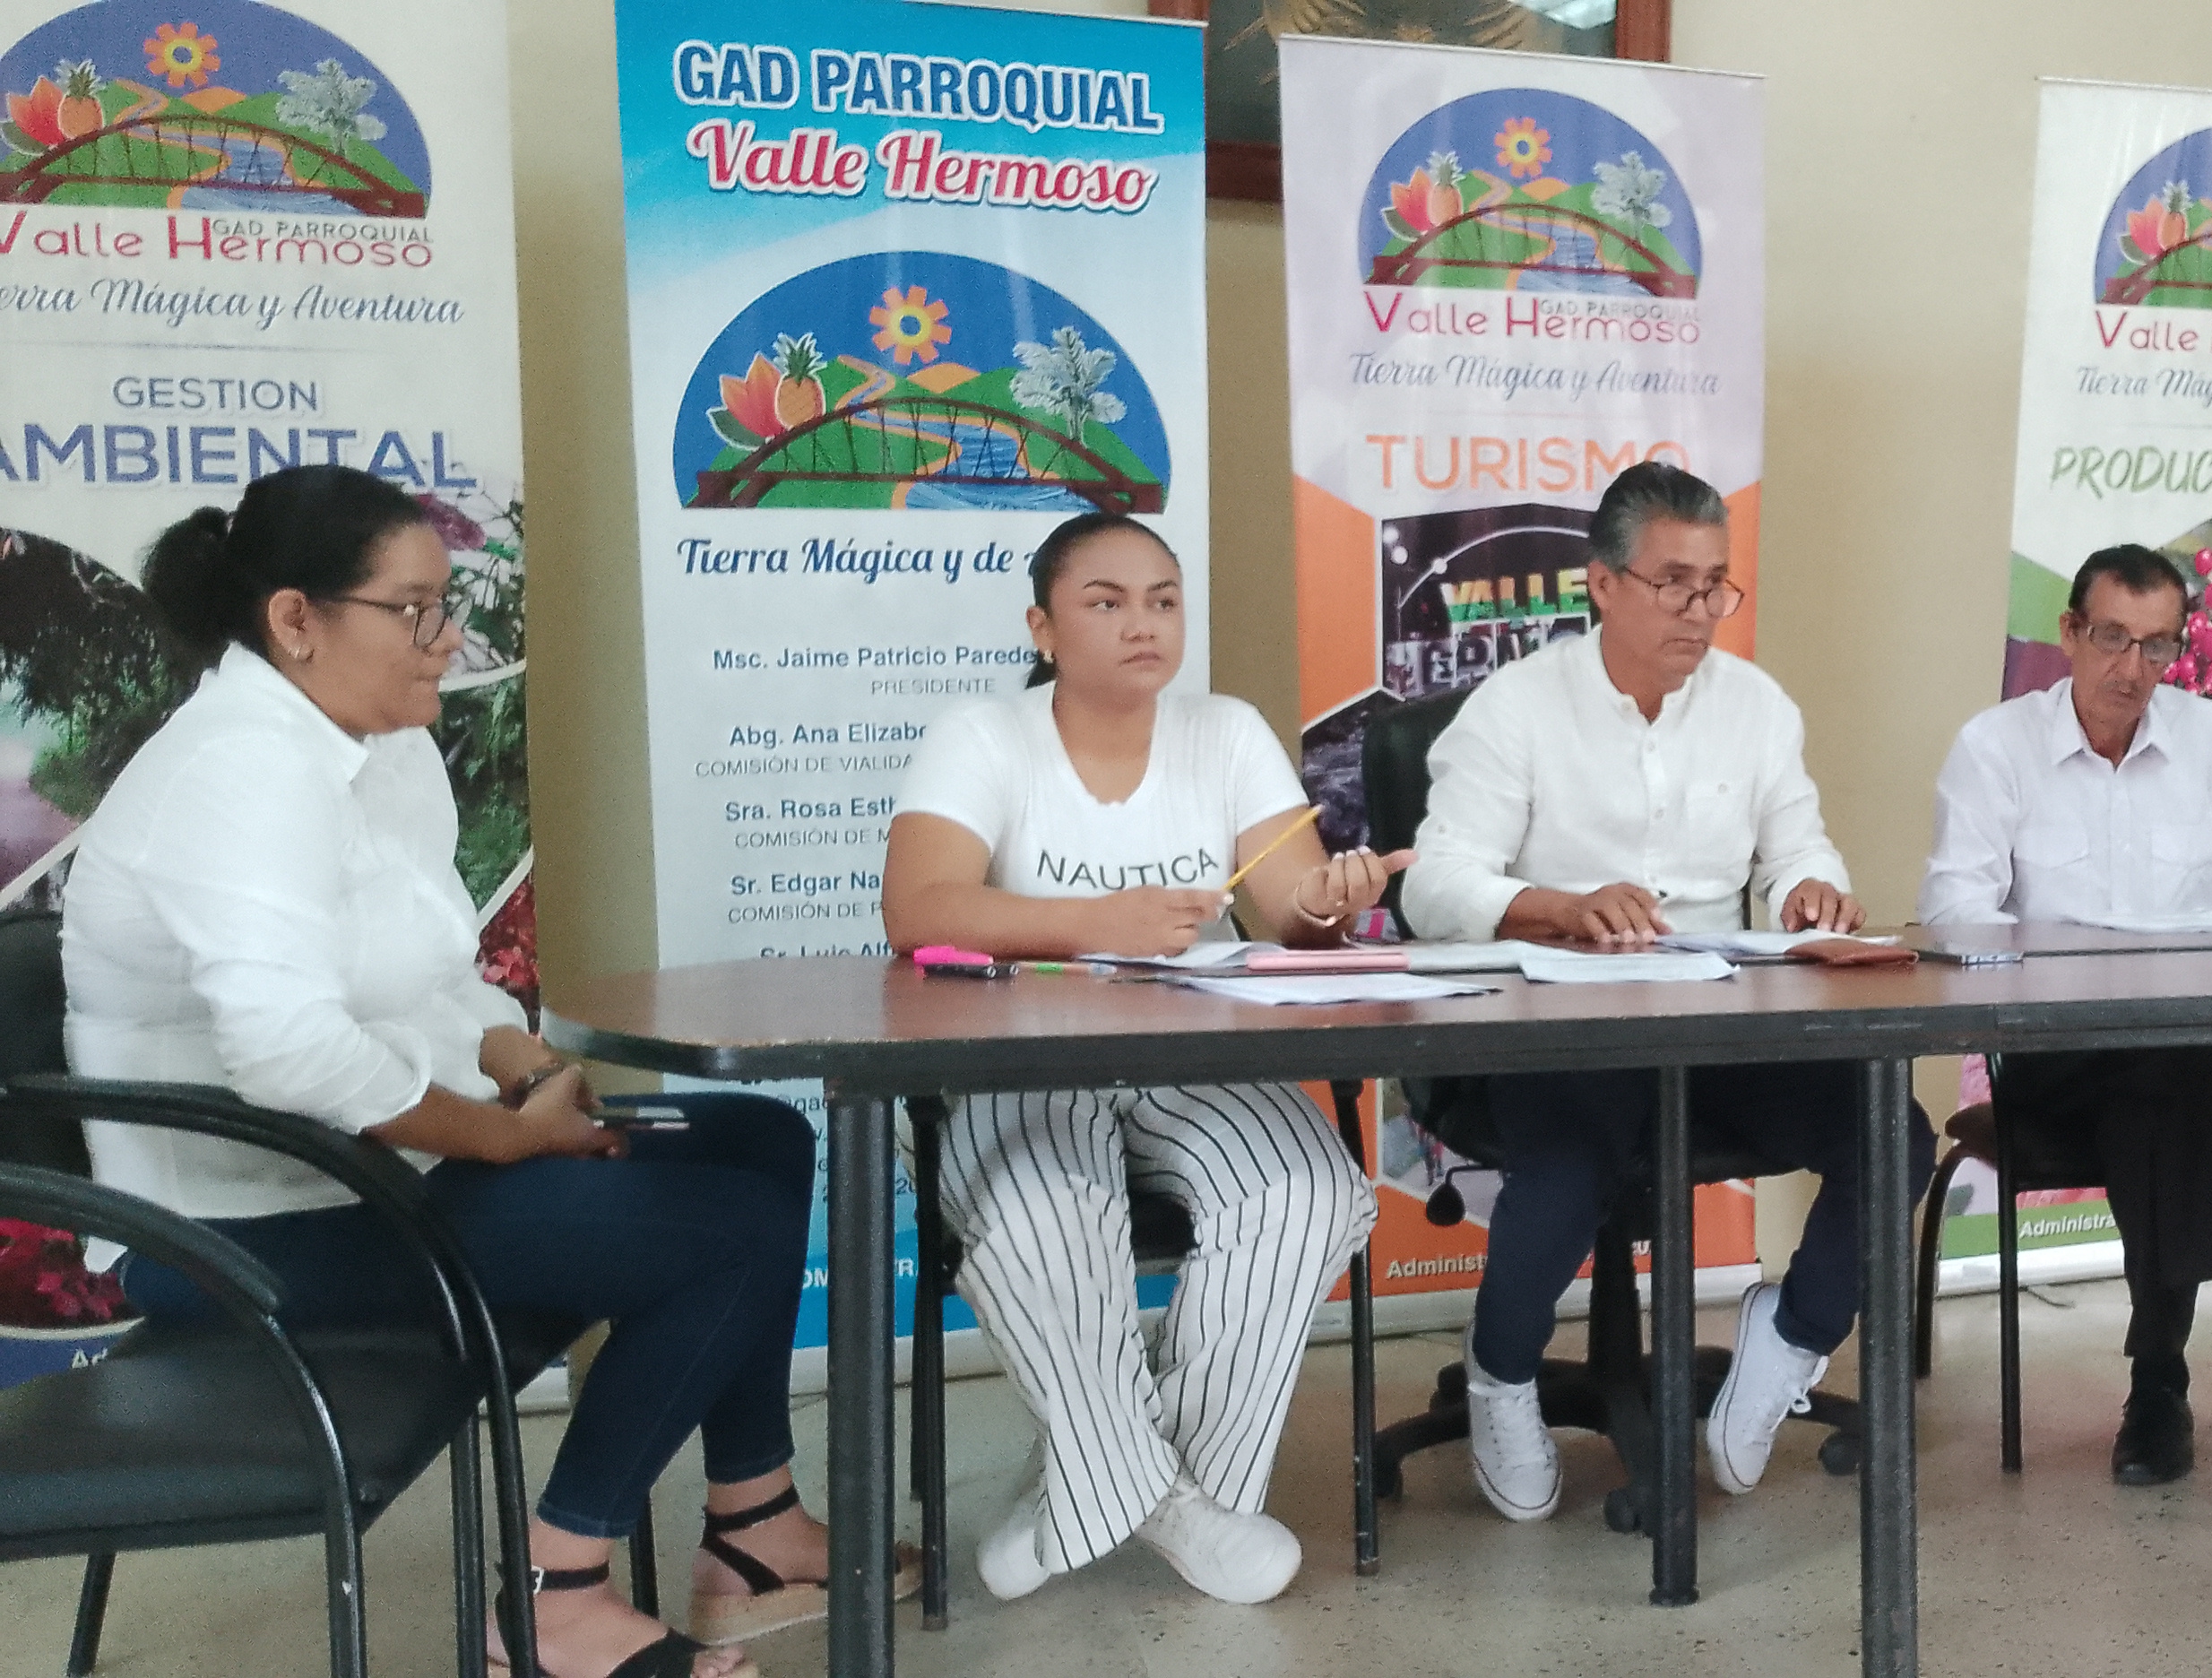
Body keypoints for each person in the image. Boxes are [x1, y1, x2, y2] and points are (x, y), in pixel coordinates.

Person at [65, 465, 901, 1678]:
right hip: (241, 1234)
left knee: (760, 1140)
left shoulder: (381, 746)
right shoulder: (237, 771)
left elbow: (434, 977)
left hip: (381, 1175)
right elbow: (287, 1050)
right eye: (413, 611)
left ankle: (754, 1525)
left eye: (444, 606)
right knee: (725, 1234)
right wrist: (510, 1137)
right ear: (296, 620)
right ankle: (556, 1602)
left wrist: (530, 1067)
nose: (447, 639)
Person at [878, 513, 1389, 1605]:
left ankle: (1082, 1482)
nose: (1141, 623)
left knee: (1307, 1192)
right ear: (1043, 627)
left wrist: (1330, 904)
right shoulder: (982, 734)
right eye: (1104, 603)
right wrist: (1093, 922)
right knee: (1037, 1220)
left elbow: (1288, 908)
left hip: (1194, 1054)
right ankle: (1169, 1505)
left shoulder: (1227, 731)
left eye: (1161, 600)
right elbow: (916, 908)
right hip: (1019, 1058)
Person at [1403, 460, 1897, 1521]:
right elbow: (1433, 887)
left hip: (1717, 1021)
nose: (1699, 609)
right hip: (1560, 1020)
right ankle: (1500, 1373)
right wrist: (1556, 906)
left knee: (1886, 1128)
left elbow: (1797, 847)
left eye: (1716, 584)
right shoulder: (1515, 708)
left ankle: (1789, 1337)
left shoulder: (1755, 707)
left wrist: (1810, 889)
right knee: (1573, 1158)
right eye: (1673, 582)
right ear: (1602, 583)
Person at [1915, 541, 2212, 1486]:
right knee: (2171, 1082)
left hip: (2182, 1053)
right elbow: (1952, 915)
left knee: (2166, 1074)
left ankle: (2160, 1389)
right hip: (2050, 1058)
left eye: (2157, 646)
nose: (2133, 669)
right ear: (2070, 633)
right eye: (2112, 639)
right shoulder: (1996, 748)